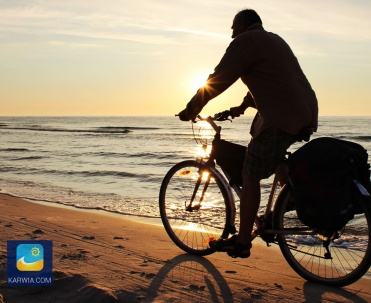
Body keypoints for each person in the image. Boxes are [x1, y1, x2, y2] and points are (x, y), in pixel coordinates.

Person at [178, 9, 318, 258]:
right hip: (306, 110)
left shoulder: (246, 41)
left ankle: (242, 241)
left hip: (281, 116)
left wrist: (192, 108)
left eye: (233, 28)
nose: (231, 35)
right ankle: (291, 195)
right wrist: (239, 109)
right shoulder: (273, 40)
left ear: (242, 24)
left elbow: (218, 80)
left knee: (250, 173)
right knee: (269, 153)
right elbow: (269, 81)